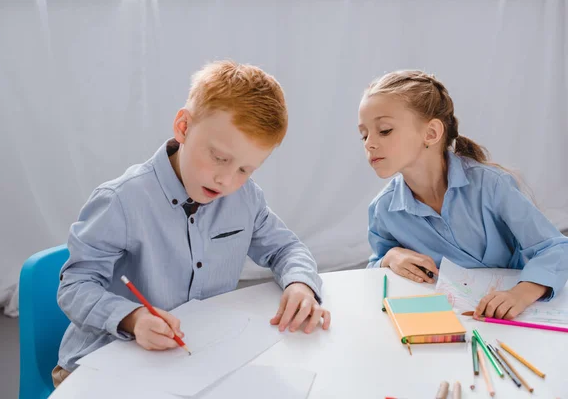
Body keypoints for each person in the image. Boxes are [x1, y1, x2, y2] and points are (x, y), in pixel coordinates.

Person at [52, 60, 330, 387]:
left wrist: (301, 283)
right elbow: (75, 286)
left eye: (245, 170)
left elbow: (286, 247)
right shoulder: (121, 200)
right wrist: (132, 318)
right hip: (102, 365)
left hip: (193, 361)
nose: (226, 179)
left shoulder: (245, 200)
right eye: (219, 157)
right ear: (183, 127)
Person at [359, 70, 568, 321]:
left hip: (511, 317)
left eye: (384, 130)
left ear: (432, 133)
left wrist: (520, 294)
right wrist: (390, 257)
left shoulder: (491, 186)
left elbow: (554, 248)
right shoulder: (383, 209)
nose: (369, 143)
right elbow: (374, 267)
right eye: (364, 134)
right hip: (445, 319)